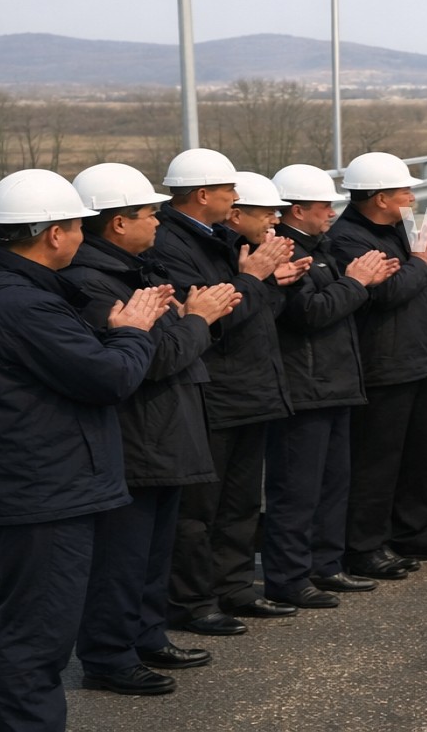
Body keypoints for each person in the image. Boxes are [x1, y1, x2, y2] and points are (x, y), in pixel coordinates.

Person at [0, 170, 169, 732]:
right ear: (54, 234)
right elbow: (108, 379)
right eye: (79, 226)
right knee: (32, 642)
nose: (83, 236)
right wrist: (133, 330)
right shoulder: (24, 307)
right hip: (42, 496)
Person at [62, 164, 241, 695]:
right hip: (137, 439)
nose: (157, 222)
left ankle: (145, 634)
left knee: (151, 553)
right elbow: (154, 359)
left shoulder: (131, 270)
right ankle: (109, 656)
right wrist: (197, 320)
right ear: (117, 224)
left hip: (162, 434)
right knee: (123, 556)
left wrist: (187, 322)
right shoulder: (93, 282)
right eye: (146, 214)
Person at [149, 152, 305, 636]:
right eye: (228, 190)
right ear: (203, 194)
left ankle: (233, 587)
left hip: (248, 388)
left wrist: (268, 281)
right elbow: (213, 317)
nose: (235, 199)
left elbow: (252, 309)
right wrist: (253, 277)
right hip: (213, 391)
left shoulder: (220, 239)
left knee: (239, 502)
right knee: (199, 510)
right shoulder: (171, 246)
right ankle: (193, 602)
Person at [327, 152, 427, 579]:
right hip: (384, 363)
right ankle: (364, 546)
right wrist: (422, 261)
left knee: (415, 458)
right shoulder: (348, 240)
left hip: (417, 357)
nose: (412, 197)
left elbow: (426, 286)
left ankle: (414, 532)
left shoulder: (398, 231)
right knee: (376, 460)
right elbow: (385, 295)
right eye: (404, 191)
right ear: (379, 198)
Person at [261, 164, 399, 610]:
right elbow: (310, 313)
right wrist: (356, 283)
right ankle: (289, 576)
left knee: (333, 483)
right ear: (296, 210)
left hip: (336, 382)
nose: (331, 214)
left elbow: (336, 303)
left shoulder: (320, 249)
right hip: (305, 386)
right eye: (324, 206)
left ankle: (326, 563)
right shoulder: (282, 254)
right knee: (297, 489)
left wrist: (358, 283)